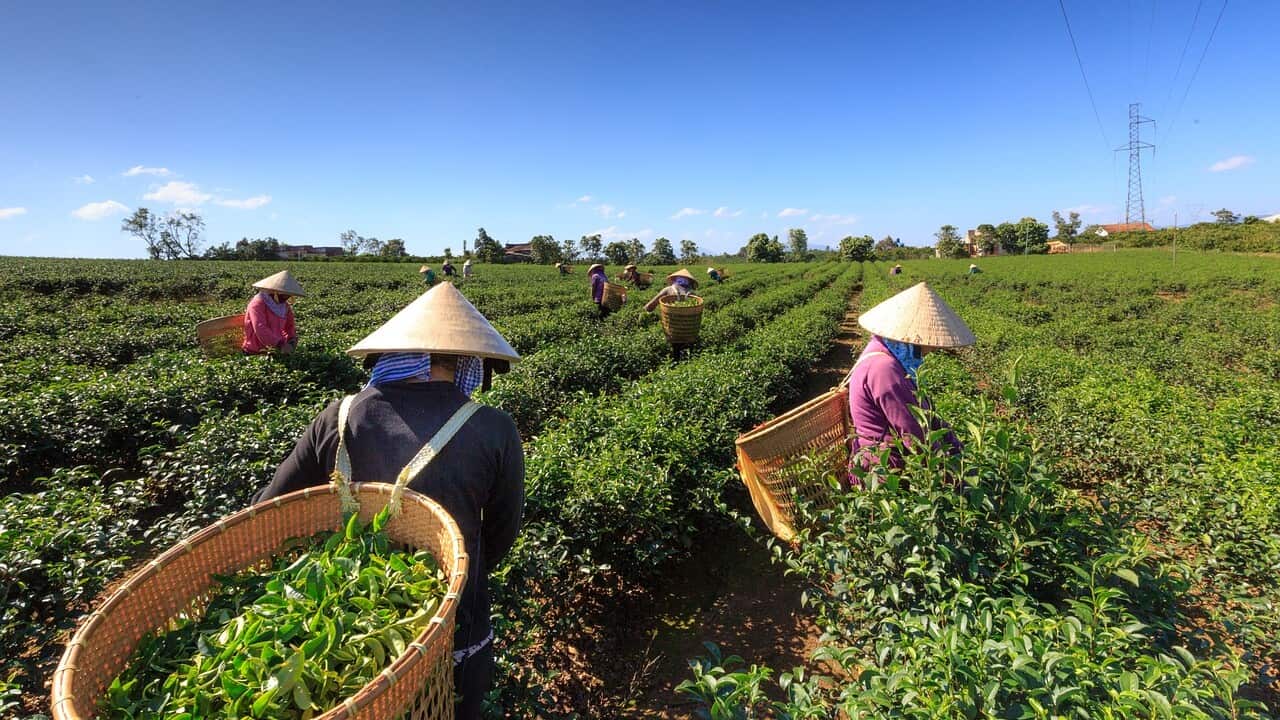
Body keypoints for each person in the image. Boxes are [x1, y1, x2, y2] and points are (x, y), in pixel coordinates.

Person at [254, 283, 524, 720]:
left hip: (341, 637)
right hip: (454, 624)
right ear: (468, 362)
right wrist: (457, 568)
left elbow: (269, 508)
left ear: (394, 357)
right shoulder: (494, 428)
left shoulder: (336, 416)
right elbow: (500, 534)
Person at [847, 282, 974, 477]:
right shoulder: (884, 369)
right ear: (911, 339)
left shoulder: (887, 353)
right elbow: (914, 435)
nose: (930, 350)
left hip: (894, 459)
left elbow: (925, 416)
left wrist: (956, 446)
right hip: (884, 473)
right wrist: (953, 478)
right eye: (927, 343)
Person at [242, 270, 303, 355]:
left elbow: (290, 325)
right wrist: (279, 344)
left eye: (288, 295)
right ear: (275, 292)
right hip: (256, 350)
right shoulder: (258, 303)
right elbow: (260, 327)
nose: (286, 298)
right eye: (284, 295)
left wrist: (291, 339)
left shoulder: (284, 306)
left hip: (276, 350)